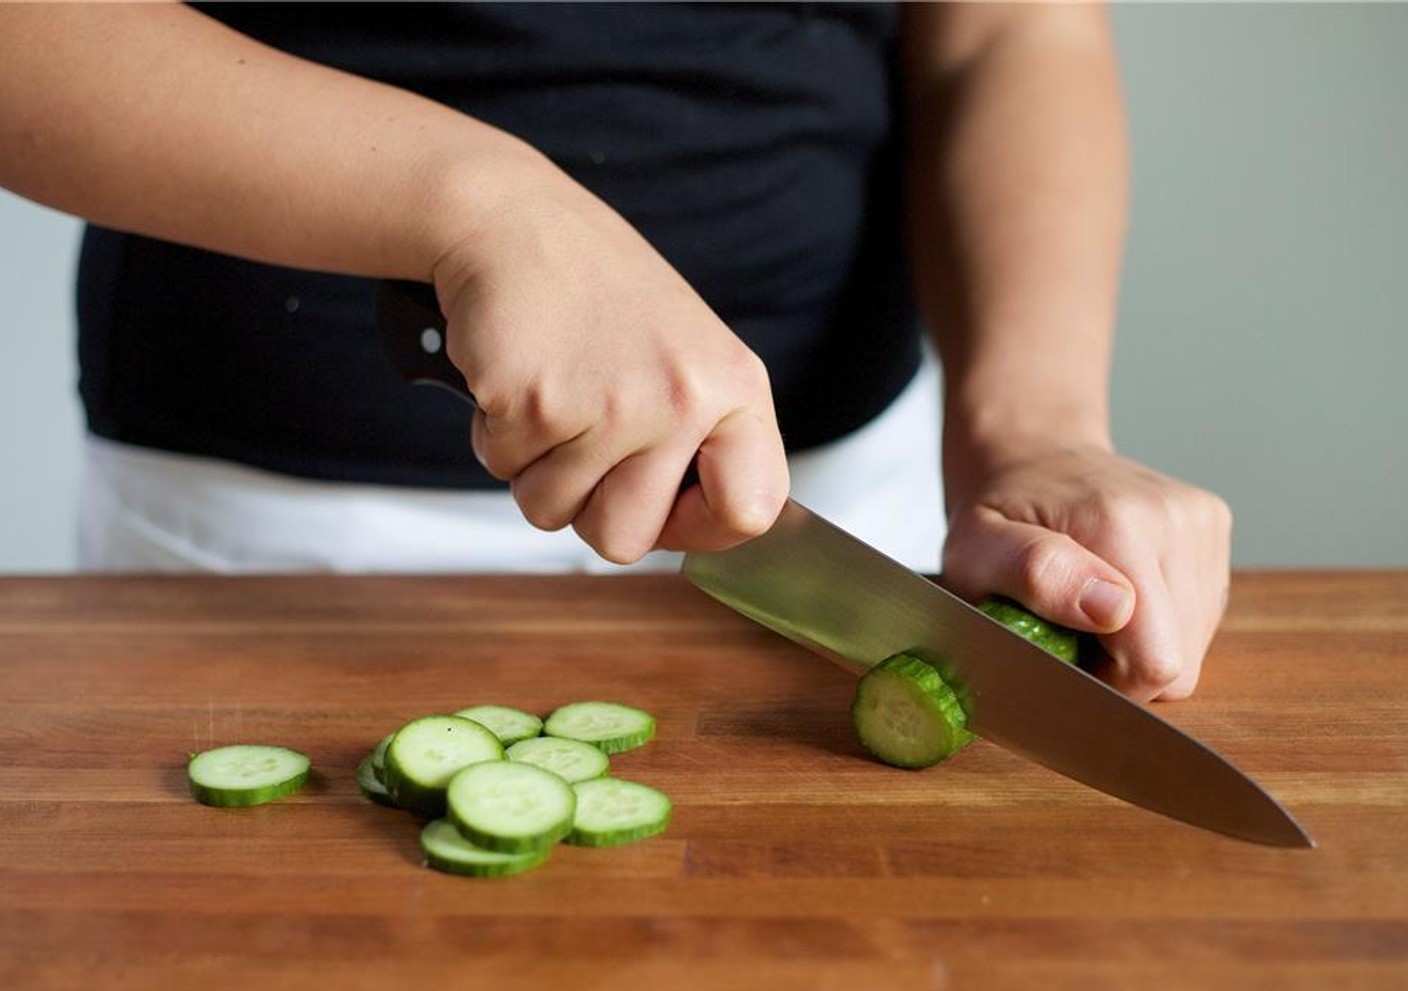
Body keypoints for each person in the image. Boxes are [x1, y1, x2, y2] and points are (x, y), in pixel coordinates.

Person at [0, 2, 1230, 701]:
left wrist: (1036, 424)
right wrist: (479, 206)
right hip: (269, 546)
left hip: (847, 523)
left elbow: (1007, 29)